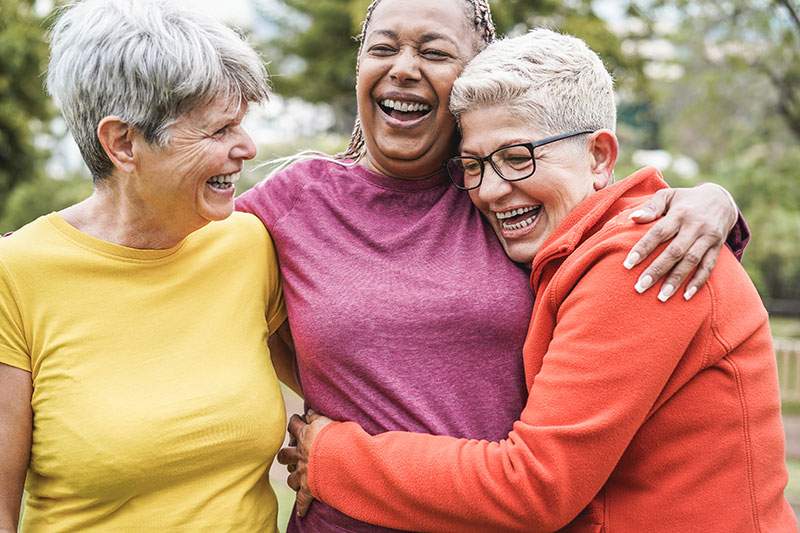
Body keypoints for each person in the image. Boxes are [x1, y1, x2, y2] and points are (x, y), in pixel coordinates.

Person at [236, 0, 747, 531]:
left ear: (469, 77)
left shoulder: (501, 196)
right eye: (382, 48)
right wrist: (322, 380)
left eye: (434, 51)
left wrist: (712, 201)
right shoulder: (295, 203)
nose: (404, 67)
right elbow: (187, 262)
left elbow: (608, 201)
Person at [0, 1, 294, 531]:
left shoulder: (249, 246)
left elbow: (337, 395)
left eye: (242, 125)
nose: (247, 148)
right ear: (123, 142)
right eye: (218, 130)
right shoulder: (16, 276)